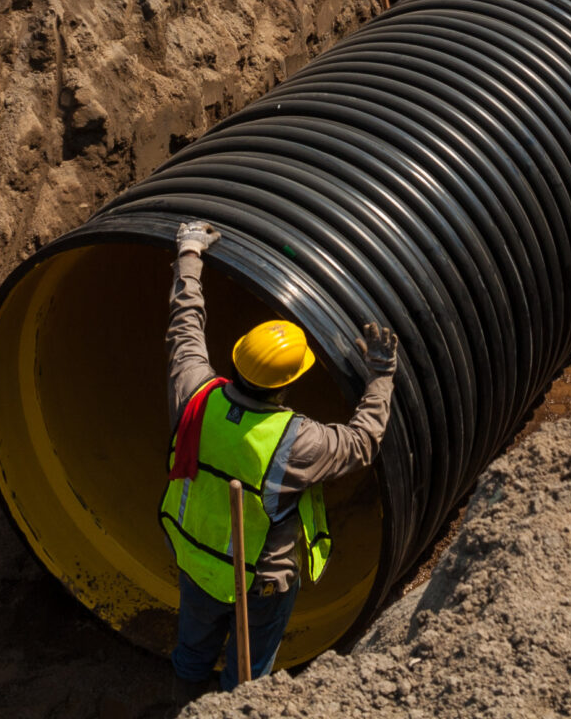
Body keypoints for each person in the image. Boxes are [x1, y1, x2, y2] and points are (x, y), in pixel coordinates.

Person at [162, 219, 396, 691]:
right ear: (289, 384)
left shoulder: (195, 392)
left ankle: (184, 697)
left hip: (195, 558)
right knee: (248, 675)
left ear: (236, 358)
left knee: (192, 649)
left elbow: (184, 325)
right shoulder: (296, 442)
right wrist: (381, 375)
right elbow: (362, 441)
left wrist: (190, 253)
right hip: (259, 583)